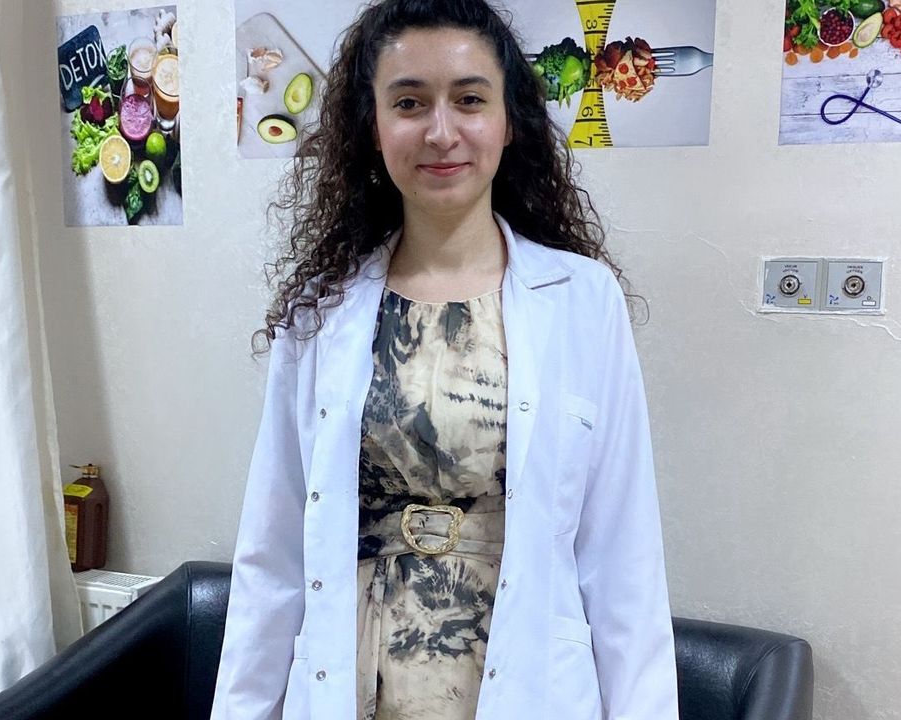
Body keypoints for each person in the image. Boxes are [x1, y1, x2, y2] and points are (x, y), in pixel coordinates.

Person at [210, 0, 677, 718]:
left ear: (509, 120)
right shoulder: (320, 310)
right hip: (351, 687)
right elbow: (271, 559)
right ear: (372, 127)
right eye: (409, 102)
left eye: (469, 99)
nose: (440, 131)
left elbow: (624, 563)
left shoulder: (583, 302)